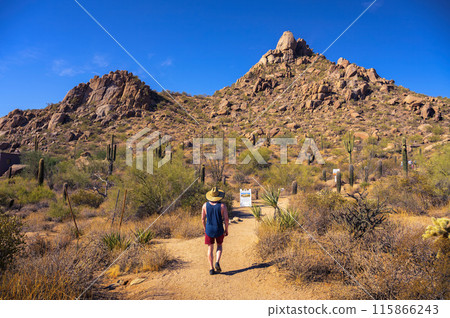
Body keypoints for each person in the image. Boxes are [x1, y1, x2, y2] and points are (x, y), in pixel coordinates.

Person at [202, 187, 229, 275]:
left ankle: (211, 268)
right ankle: (217, 261)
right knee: (219, 246)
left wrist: (205, 229)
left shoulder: (205, 205)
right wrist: (226, 230)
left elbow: (202, 219)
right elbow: (226, 219)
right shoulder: (222, 206)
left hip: (209, 229)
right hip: (219, 229)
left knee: (210, 248)